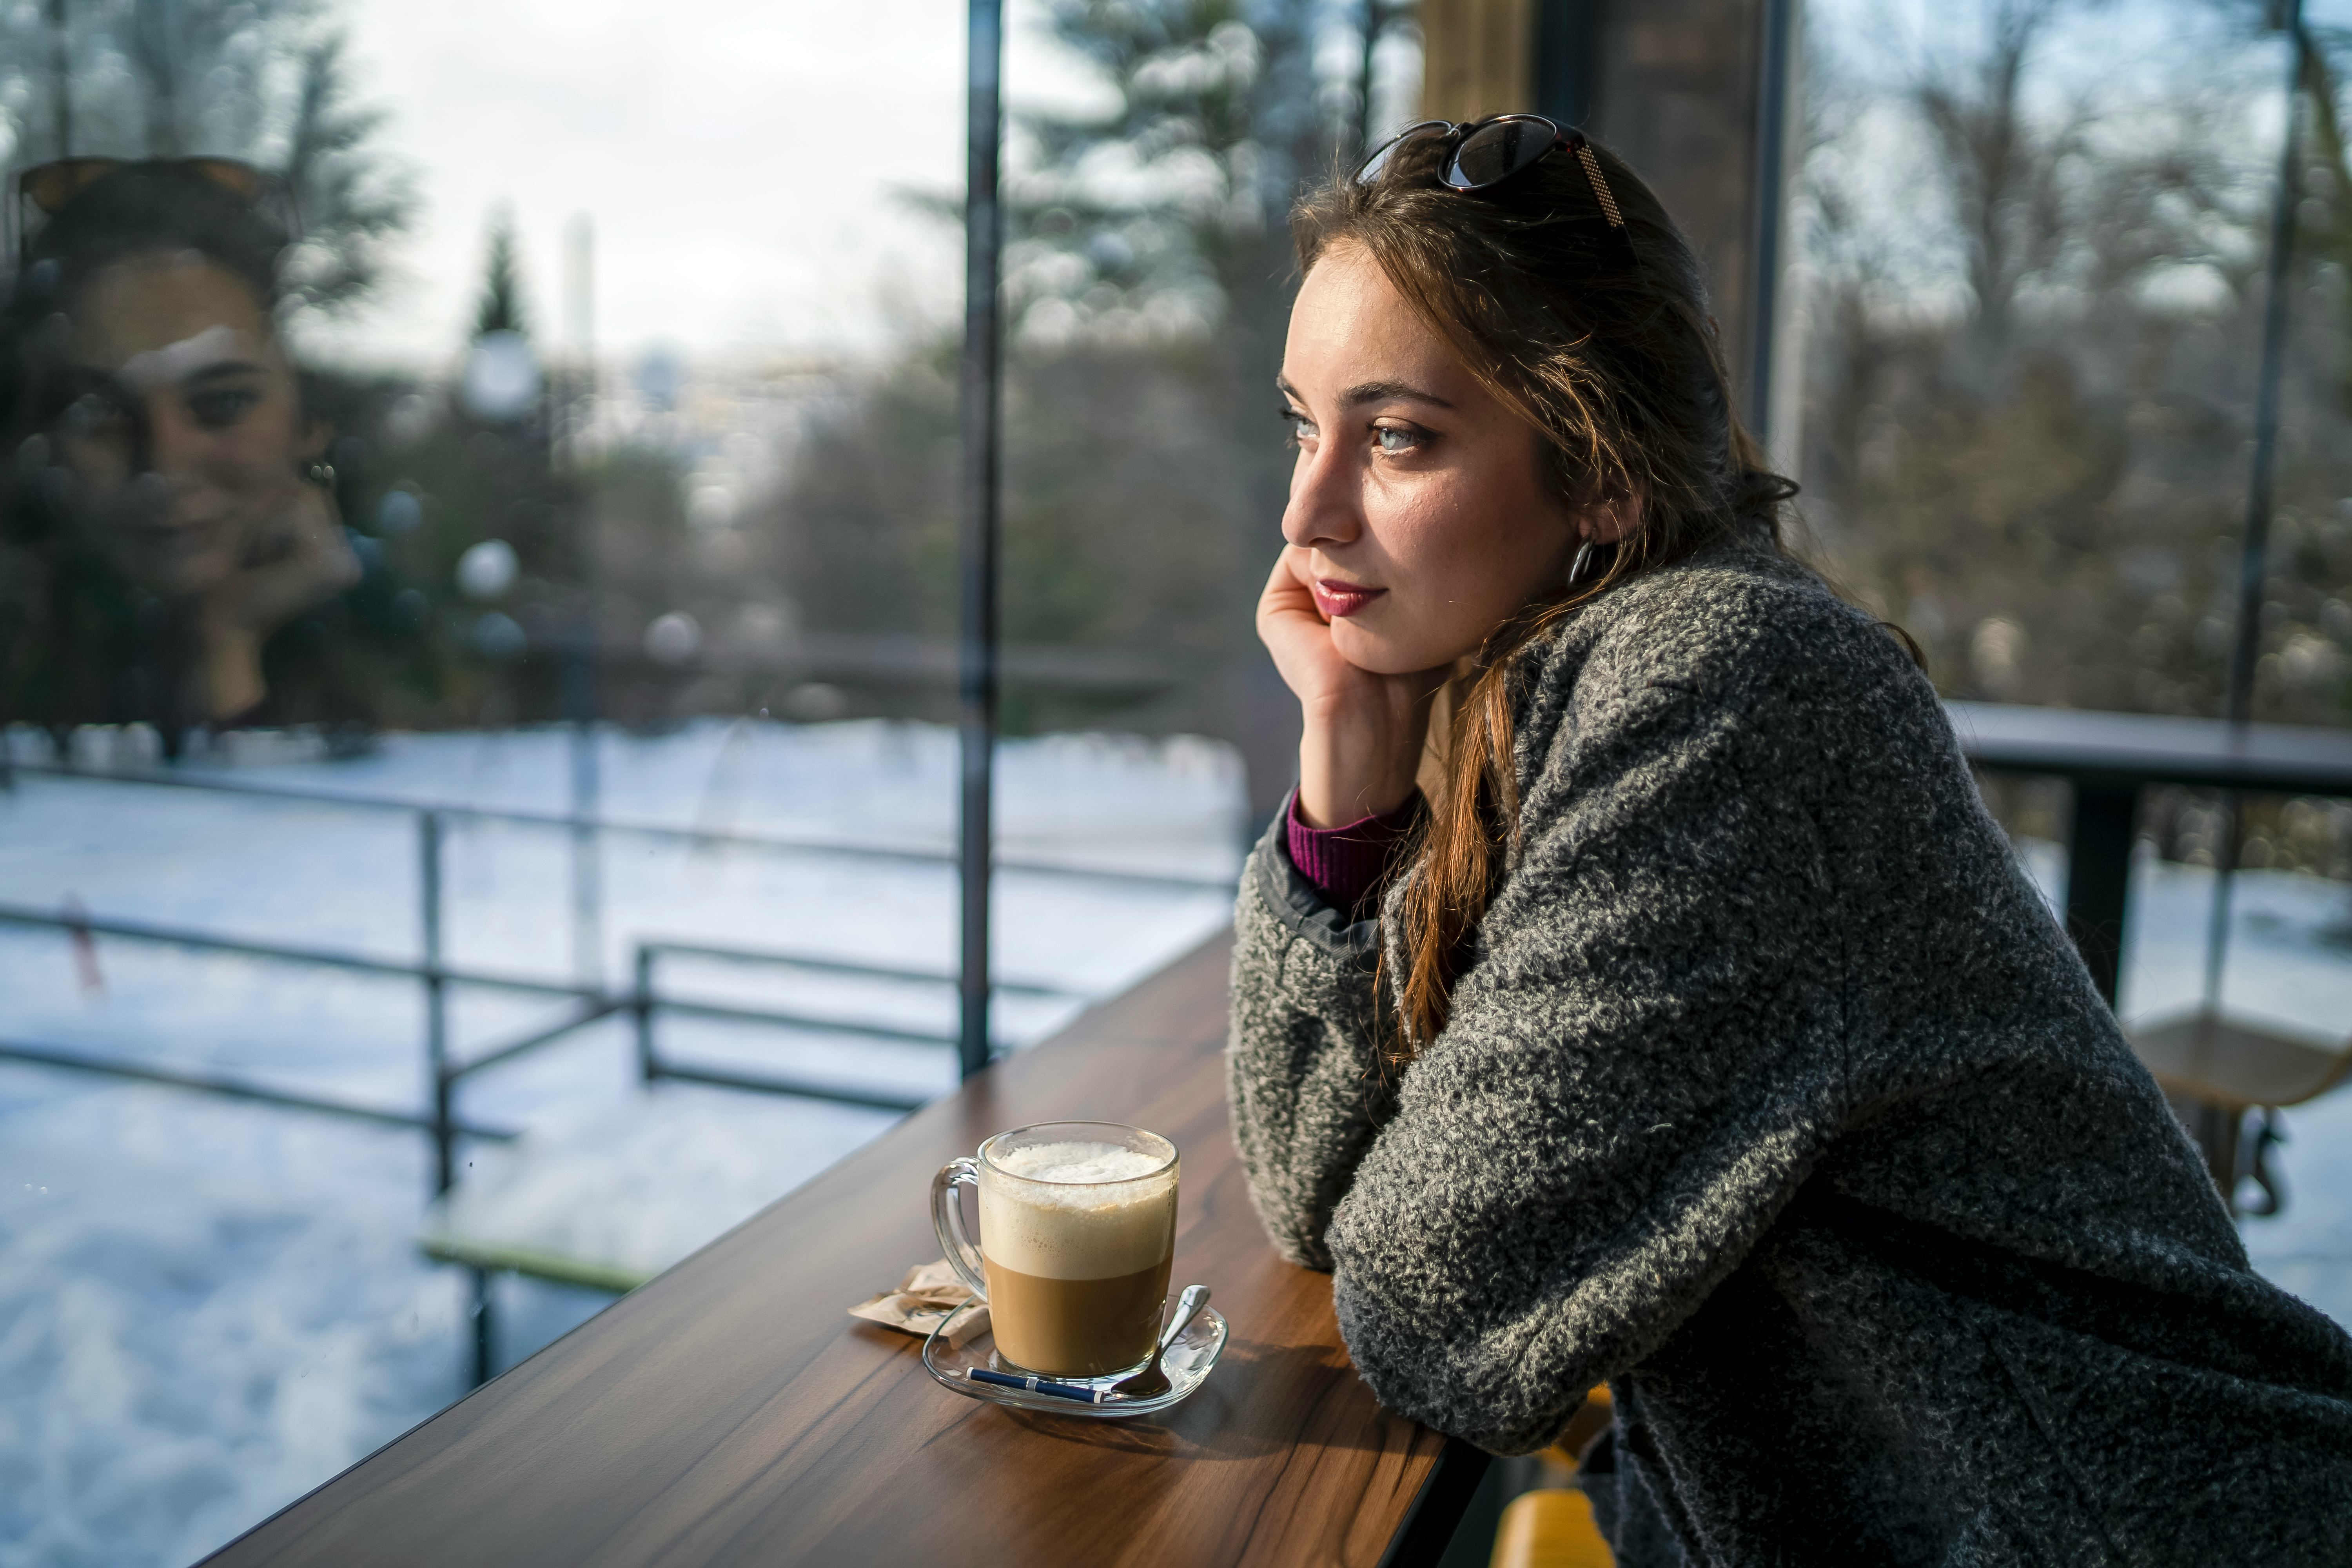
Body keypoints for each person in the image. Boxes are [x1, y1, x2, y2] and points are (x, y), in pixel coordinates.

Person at [1225, 116, 2352, 1565]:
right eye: (1303, 426)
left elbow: (1436, 1319)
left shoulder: (1726, 684)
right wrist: (1347, 790)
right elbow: (1316, 1205)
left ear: (1605, 476)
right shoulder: (1524, 700)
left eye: (1396, 437)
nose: (1303, 509)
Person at [0, 158, 370, 742]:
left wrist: (229, 646)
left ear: (310, 422)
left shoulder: (401, 646)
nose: (165, 467)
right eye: (98, 413)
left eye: (222, 404)